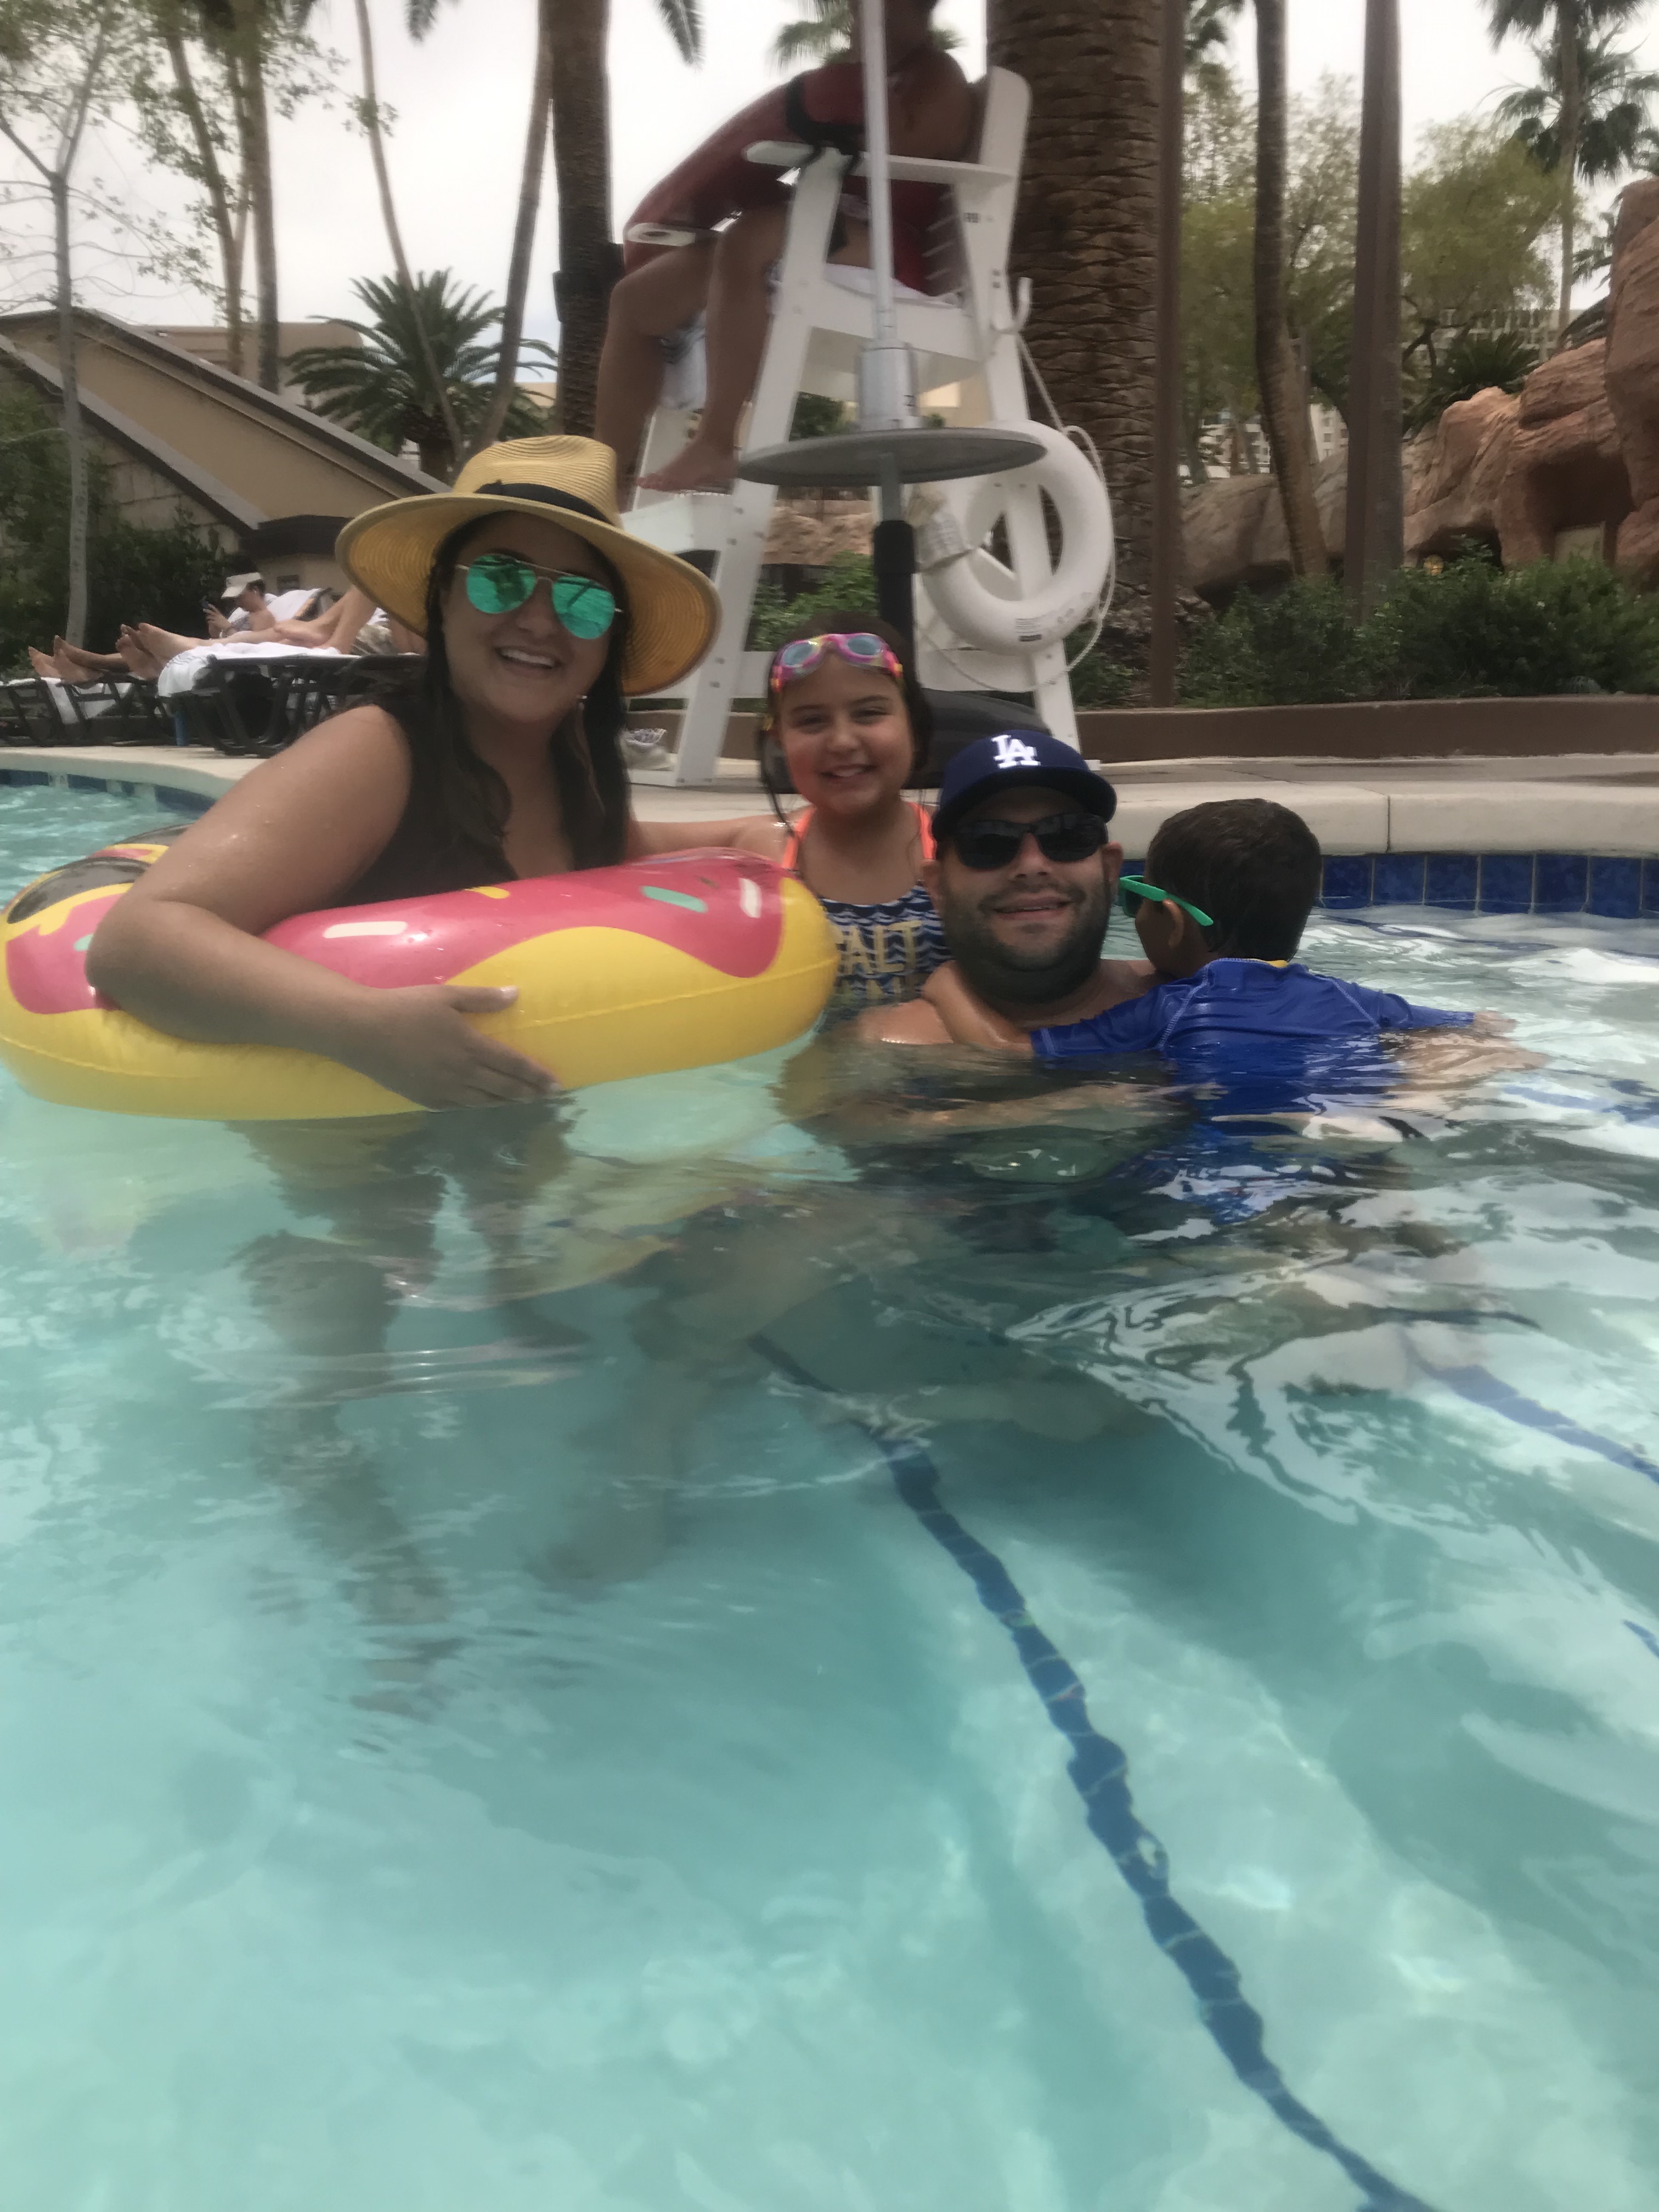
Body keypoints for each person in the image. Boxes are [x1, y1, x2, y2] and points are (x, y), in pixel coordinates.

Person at [86, 434, 720, 1110]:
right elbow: (133, 944)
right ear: (443, 598)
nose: (540, 621)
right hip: (353, 1139)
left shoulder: (573, 764)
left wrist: (758, 835)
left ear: (609, 635)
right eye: (501, 579)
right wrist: (361, 1028)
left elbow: (634, 849)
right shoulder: (377, 753)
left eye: (583, 600)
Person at [595, 0, 973, 493]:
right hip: (827, 226)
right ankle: (601, 482)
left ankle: (715, 443)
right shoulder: (865, 78)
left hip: (891, 246)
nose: (855, 15)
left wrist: (851, 100)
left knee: (750, 238)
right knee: (633, 300)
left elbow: (912, 151)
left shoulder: (939, 75)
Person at [943, 799, 1479, 1113]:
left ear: (1172, 923)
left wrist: (949, 984)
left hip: (1225, 1151)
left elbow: (1008, 1050)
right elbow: (1481, 1030)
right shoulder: (1348, 997)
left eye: (1136, 898)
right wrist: (1413, 1093)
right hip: (1342, 1114)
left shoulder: (1173, 1009)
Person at [647, 617, 947, 1015]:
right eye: (811, 721)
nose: (842, 741)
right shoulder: (767, 846)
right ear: (780, 740)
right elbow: (604, 837)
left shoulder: (957, 842)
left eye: (869, 714)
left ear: (914, 725)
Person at [854, 730, 1156, 1046]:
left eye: (1067, 835)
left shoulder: (1183, 994)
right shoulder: (883, 1045)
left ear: (1110, 870)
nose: (1031, 865)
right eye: (988, 842)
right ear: (938, 887)